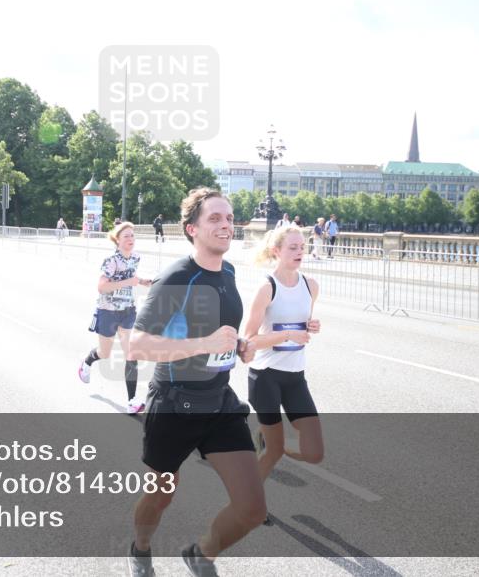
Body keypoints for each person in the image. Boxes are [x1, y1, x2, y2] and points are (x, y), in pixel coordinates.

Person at [126, 187, 262, 577]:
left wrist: (238, 345)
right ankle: (140, 549)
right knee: (161, 494)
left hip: (218, 401)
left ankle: (200, 554)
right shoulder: (177, 277)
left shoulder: (229, 272)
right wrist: (203, 344)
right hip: (174, 403)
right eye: (215, 219)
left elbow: (218, 333)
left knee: (252, 509)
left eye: (230, 218)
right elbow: (137, 344)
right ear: (192, 229)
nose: (226, 225)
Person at [243, 226, 322, 524]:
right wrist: (287, 333)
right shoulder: (267, 288)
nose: (300, 251)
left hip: (295, 377)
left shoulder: (312, 285)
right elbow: (247, 339)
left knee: (314, 452)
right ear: (276, 251)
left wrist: (311, 327)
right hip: (265, 376)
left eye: (302, 246)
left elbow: (304, 323)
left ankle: (266, 439)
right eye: (292, 247)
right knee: (273, 453)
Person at [77, 221, 153, 415]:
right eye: (126, 236)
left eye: (132, 236)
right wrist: (130, 281)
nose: (131, 239)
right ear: (117, 240)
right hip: (108, 310)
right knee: (105, 352)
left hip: (127, 310)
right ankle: (86, 362)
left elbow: (132, 276)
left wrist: (143, 281)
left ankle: (132, 401)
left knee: (131, 353)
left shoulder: (135, 257)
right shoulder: (111, 260)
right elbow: (101, 287)